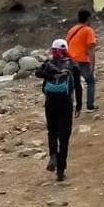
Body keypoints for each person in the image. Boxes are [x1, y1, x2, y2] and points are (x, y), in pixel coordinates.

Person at [35, 40, 74, 181]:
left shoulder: (49, 64)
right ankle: (60, 171)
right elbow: (77, 86)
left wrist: (49, 72)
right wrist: (79, 105)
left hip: (50, 103)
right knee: (64, 137)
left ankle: (53, 156)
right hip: (66, 103)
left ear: (53, 50)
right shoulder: (71, 64)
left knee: (52, 132)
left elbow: (37, 73)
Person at [66, 8, 98, 113]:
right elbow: (90, 49)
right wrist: (92, 64)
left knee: (73, 84)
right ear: (88, 18)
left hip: (70, 60)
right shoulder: (88, 30)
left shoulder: (72, 30)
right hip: (82, 60)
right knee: (90, 81)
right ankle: (90, 106)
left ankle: (70, 107)